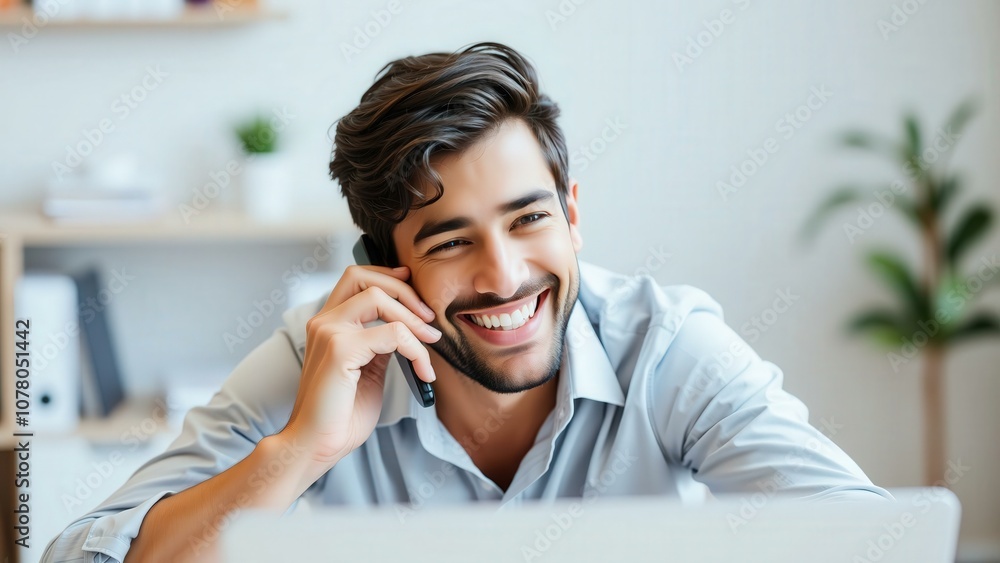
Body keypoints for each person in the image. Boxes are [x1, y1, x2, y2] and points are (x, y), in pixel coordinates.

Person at [42, 41, 889, 563]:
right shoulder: (320, 359)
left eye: (529, 219)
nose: (504, 275)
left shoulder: (666, 349)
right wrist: (301, 449)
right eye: (450, 241)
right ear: (386, 267)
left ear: (573, 217)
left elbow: (878, 545)